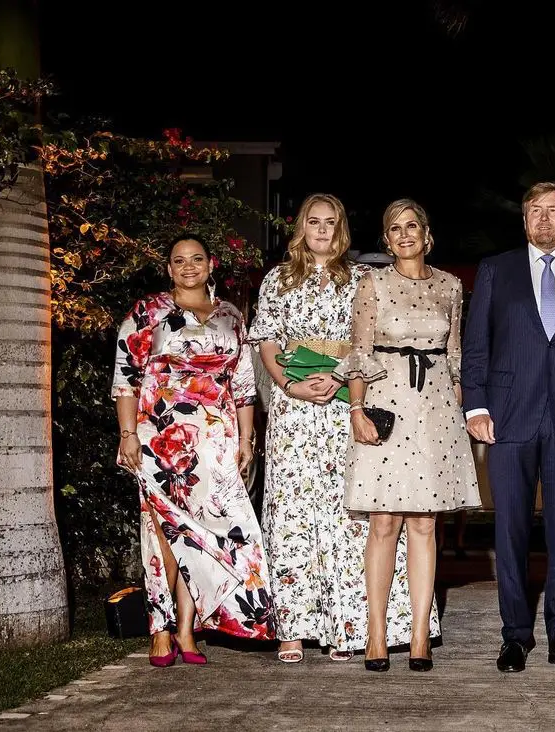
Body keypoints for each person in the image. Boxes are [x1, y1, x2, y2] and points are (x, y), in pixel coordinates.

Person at [249, 193, 433, 663]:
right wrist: (289, 384)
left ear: (342, 228)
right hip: (293, 410)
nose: (323, 229)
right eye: (314, 221)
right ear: (301, 227)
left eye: (332, 222)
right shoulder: (277, 279)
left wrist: (337, 378)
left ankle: (344, 625)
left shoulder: (361, 279)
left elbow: (370, 340)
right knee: (292, 512)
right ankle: (291, 627)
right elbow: (267, 342)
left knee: (347, 516)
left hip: (344, 403)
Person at [461, 181, 555, 673]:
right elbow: (476, 347)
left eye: (553, 211)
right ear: (524, 218)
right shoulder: (495, 270)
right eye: (535, 211)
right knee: (508, 532)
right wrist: (475, 407)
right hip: (508, 419)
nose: (544, 219)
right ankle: (515, 635)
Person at [113, 234, 274, 667]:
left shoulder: (231, 315)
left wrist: (246, 440)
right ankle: (161, 629)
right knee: (164, 531)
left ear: (210, 264)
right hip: (158, 437)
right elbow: (125, 378)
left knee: (209, 532)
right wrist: (127, 434)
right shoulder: (147, 312)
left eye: (196, 259)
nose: (188, 267)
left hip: (214, 441)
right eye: (179, 260)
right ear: (168, 268)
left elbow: (242, 388)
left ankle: (188, 631)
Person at [337, 198, 480, 672]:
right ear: (386, 238)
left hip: (435, 407)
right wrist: (357, 410)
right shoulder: (371, 282)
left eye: (411, 225)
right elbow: (358, 351)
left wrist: (462, 411)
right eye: (394, 228)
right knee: (384, 522)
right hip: (386, 402)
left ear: (426, 232)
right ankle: (376, 635)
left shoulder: (451, 286)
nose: (403, 235)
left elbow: (456, 354)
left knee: (424, 523)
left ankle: (420, 636)